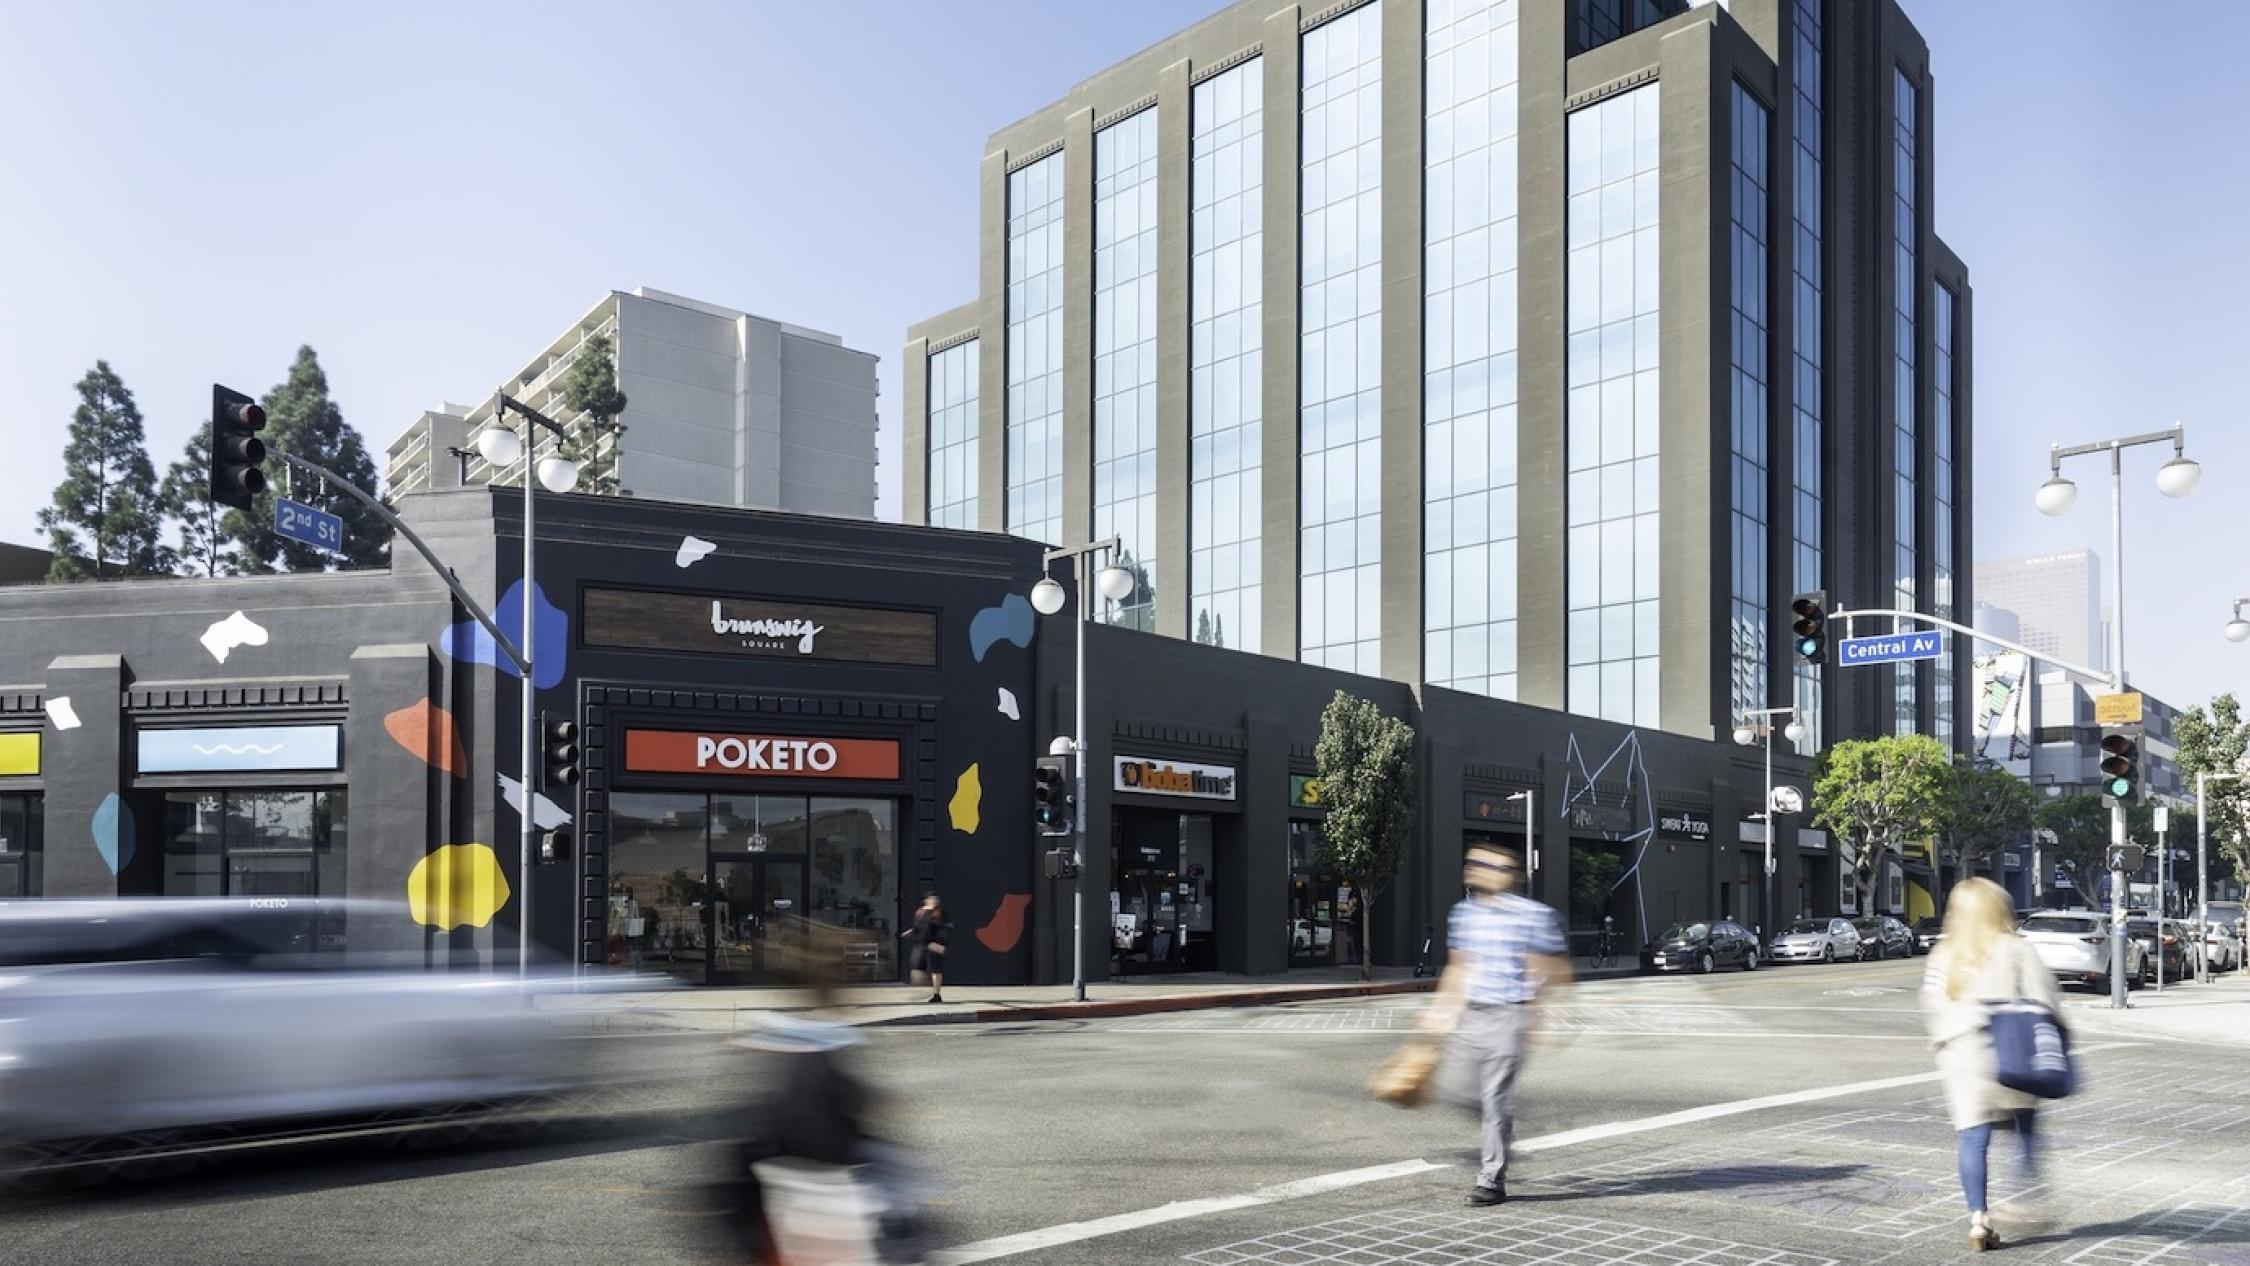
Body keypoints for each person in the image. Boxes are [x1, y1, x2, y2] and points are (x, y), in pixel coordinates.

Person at [1421, 842, 1570, 1206]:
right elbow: (1458, 966)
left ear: (1512, 876)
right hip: (1473, 1014)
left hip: (1510, 1014)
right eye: (1476, 863)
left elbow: (1547, 967)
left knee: (1495, 1099)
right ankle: (1500, 1130)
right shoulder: (1463, 914)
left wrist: (1539, 1013)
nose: (1482, 869)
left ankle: (1491, 1179)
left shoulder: (1532, 915)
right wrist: (1441, 1009)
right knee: (1456, 1089)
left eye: (1495, 866)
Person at [1921, 876, 2060, 1251]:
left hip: (1962, 1058)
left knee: (1972, 1136)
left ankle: (1978, 1220)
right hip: (2008, 1051)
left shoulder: (1943, 953)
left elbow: (1932, 1004)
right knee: (2026, 1123)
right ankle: (2024, 1197)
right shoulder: (2015, 949)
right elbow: (2044, 1000)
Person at [901, 893, 948, 1004]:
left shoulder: (940, 913)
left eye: (937, 899)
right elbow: (917, 927)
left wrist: (940, 944)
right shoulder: (920, 912)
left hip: (933, 945)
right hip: (921, 944)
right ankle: (922, 989)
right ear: (926, 900)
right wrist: (911, 932)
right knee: (915, 968)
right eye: (933, 899)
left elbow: (944, 929)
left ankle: (936, 994)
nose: (935, 901)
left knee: (935, 970)